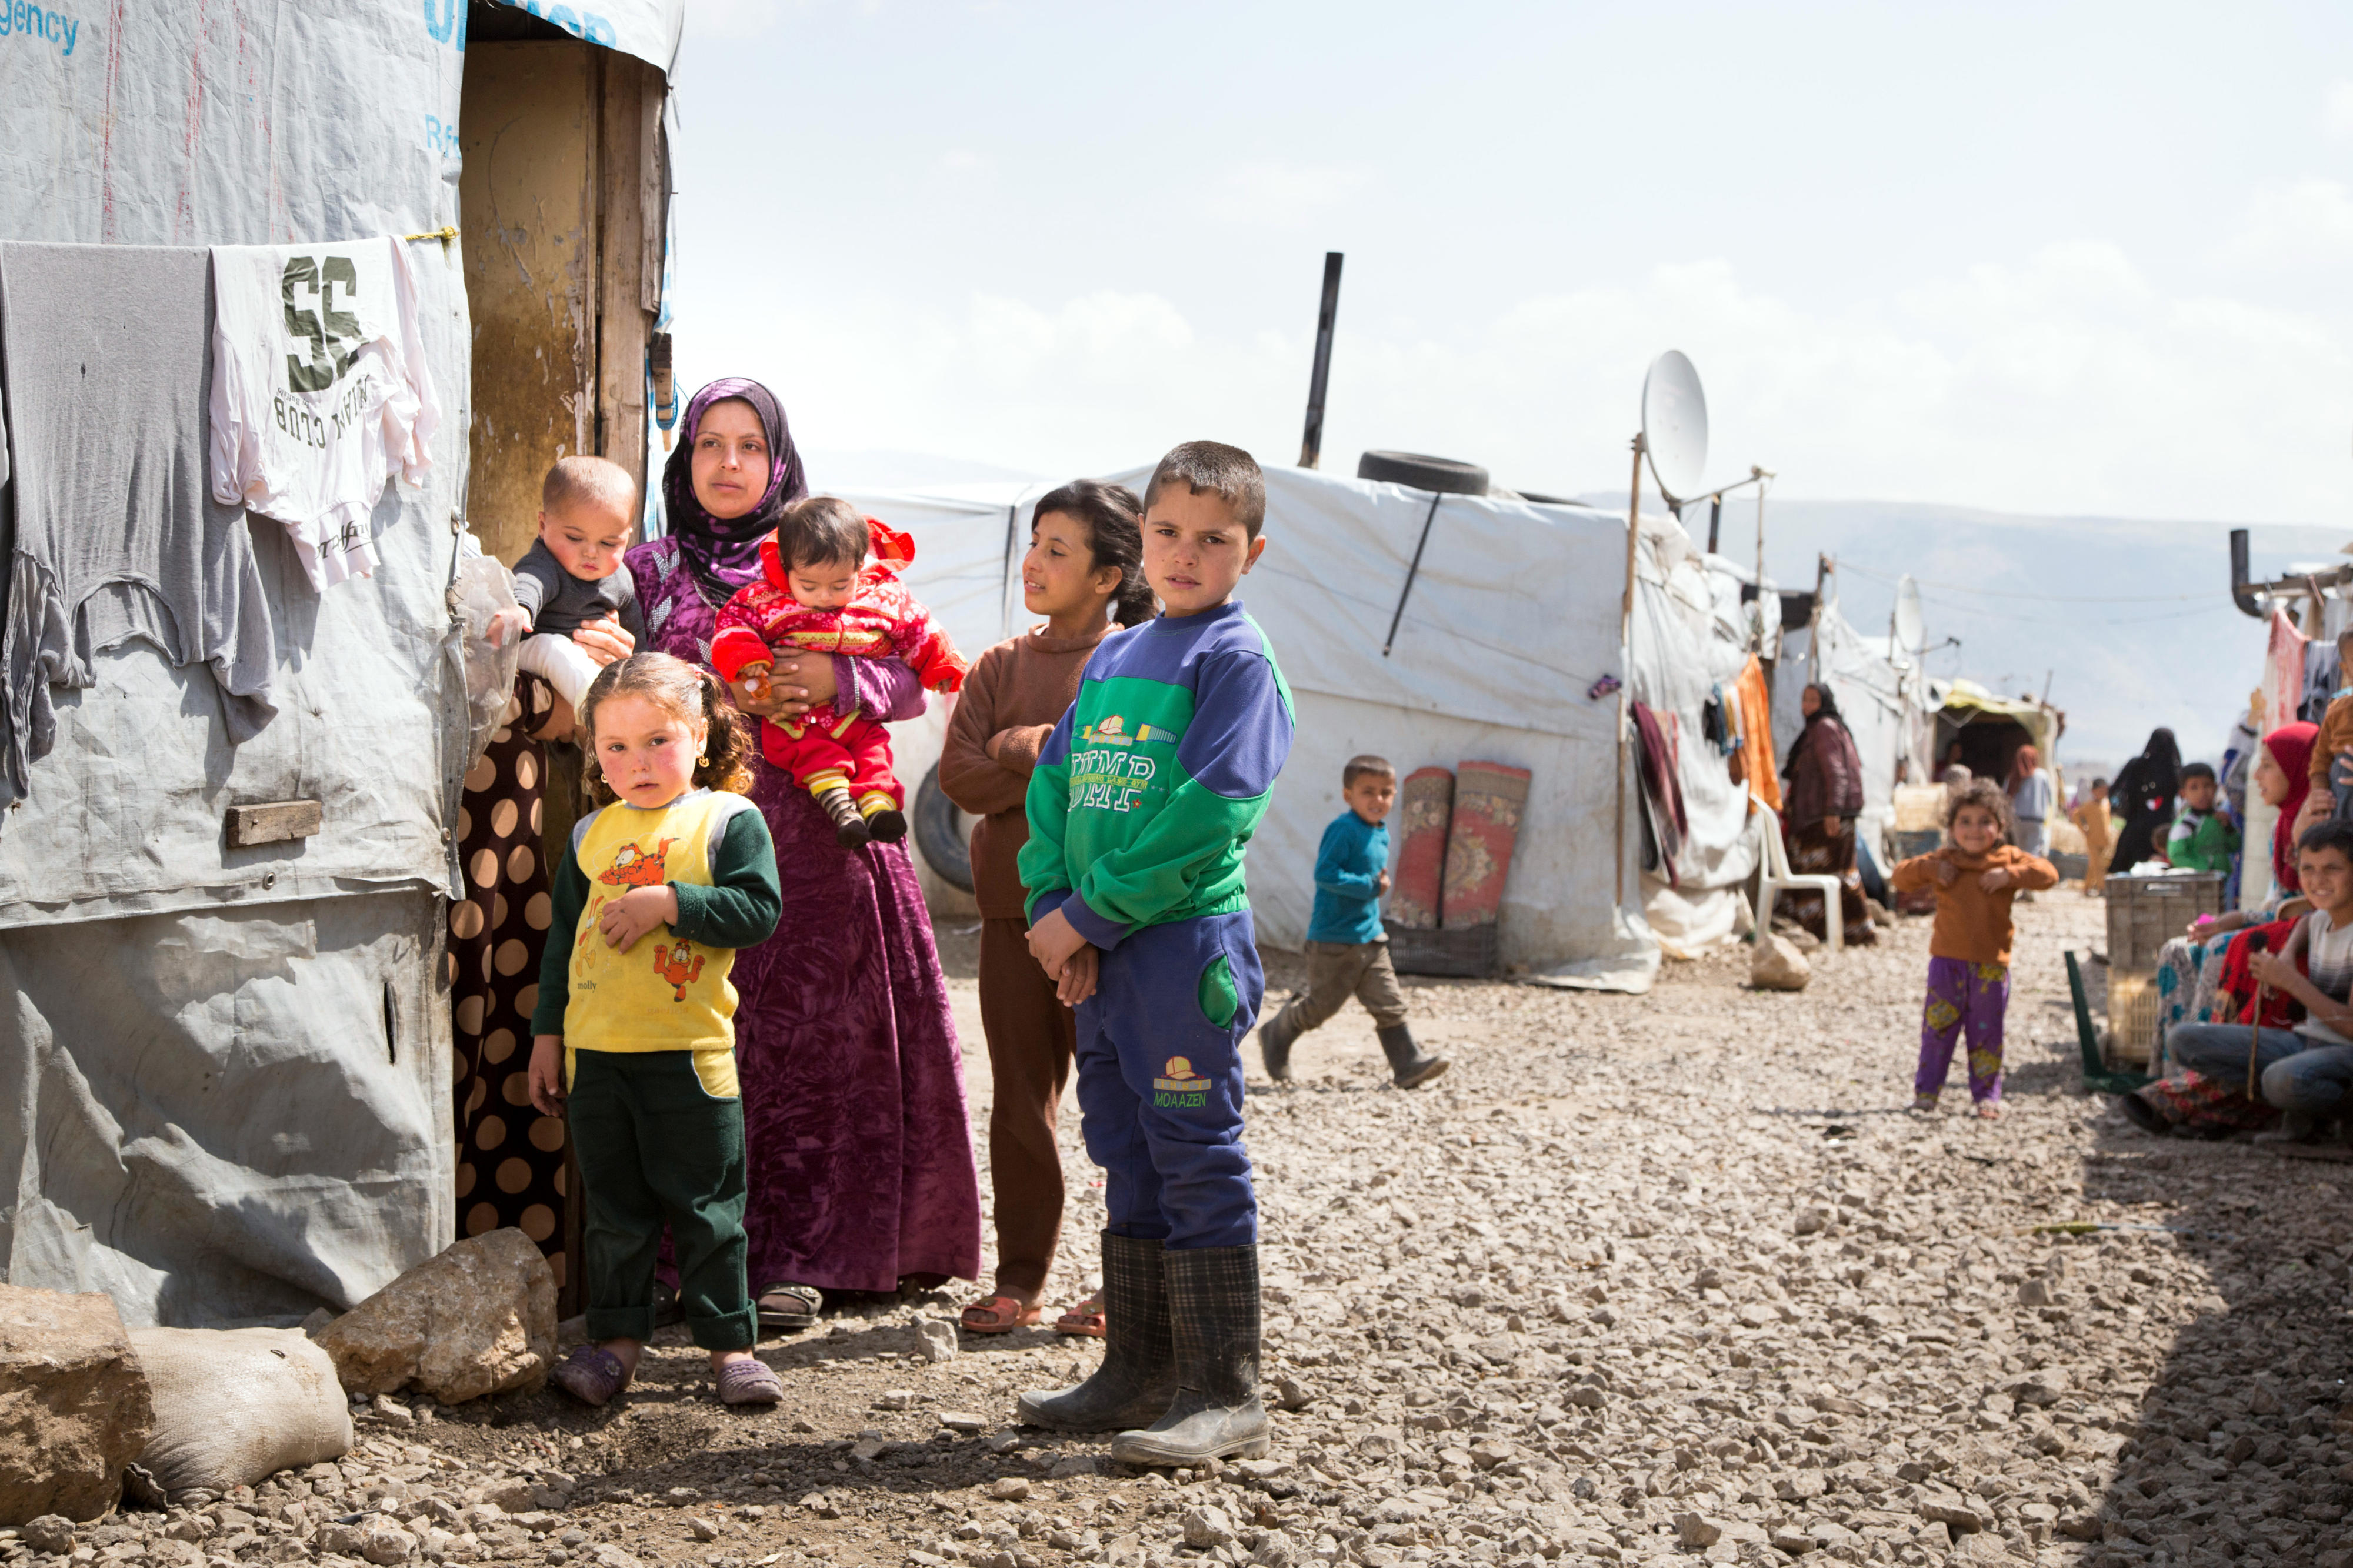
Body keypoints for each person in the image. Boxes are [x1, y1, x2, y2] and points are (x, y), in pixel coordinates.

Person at [627, 377, 980, 1331]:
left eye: (749, 445)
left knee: (824, 1050)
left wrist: (841, 673)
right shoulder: (648, 569)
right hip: (693, 834)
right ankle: (692, 1253)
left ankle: (811, 1254)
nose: (729, 464)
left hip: (825, 844)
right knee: (703, 1046)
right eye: (710, 444)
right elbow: (602, 646)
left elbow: (911, 673)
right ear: (684, 457)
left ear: (778, 461)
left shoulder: (823, 554)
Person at [1015, 441, 1294, 1466]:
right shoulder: (1117, 656)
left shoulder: (1238, 662)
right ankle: (1136, 1371)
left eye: (1212, 540)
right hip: (1099, 951)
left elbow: (1207, 817)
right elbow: (1053, 789)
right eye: (1167, 533)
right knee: (1125, 1154)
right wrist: (1054, 904)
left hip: (1181, 950)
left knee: (1195, 1155)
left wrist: (1089, 917)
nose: (1185, 555)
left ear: (1248, 552)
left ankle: (1225, 1390)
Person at [531, 653, 785, 1407]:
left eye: (657, 740)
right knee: (616, 1211)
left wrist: (669, 902)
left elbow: (758, 910)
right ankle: (615, 1346)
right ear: (594, 753)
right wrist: (550, 1036)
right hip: (597, 1056)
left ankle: (729, 1347)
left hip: (690, 1056)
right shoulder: (586, 834)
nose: (636, 762)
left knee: (708, 1208)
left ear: (701, 735)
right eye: (615, 746)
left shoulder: (727, 820)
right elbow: (561, 945)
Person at [938, 480, 1154, 1339]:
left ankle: (1122, 1277)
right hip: (1009, 912)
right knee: (1022, 1097)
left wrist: (1025, 748)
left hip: (1115, 916)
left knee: (1125, 1098)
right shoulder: (999, 665)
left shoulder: (1141, 661)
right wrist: (1059, 753)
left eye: (1058, 550)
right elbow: (960, 774)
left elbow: (1129, 781)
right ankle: (1020, 1275)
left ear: (1110, 573)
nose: (1034, 561)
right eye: (1035, 542)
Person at [711, 498, 967, 846]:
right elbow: (733, 624)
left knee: (874, 752)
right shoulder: (764, 600)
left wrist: (941, 667)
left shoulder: (884, 596)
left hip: (859, 716)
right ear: (785, 566)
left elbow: (920, 630)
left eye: (840, 585)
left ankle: (879, 808)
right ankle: (843, 809)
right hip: (798, 719)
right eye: (809, 586)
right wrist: (747, 659)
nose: (824, 597)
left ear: (861, 564)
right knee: (812, 752)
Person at [2149, 819, 2353, 1141]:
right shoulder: (2321, 920)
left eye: (2332, 869)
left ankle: (2334, 1118)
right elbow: (2306, 921)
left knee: (2280, 1080)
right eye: (2308, 869)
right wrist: (2287, 953)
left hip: (2345, 1051)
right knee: (2183, 1041)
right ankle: (2301, 1114)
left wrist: (2291, 981)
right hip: (2307, 1044)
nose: (2318, 880)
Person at [1254, 756, 1447, 1089]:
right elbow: (1326, 874)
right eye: (1368, 792)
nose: (1378, 800)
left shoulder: (1380, 833)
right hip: (1334, 939)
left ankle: (1407, 1065)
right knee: (1320, 1008)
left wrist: (1375, 887)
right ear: (1348, 796)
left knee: (1389, 1003)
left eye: (1386, 793)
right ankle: (1277, 1032)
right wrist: (1371, 886)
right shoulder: (1343, 830)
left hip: (1370, 937)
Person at [1888, 779, 2058, 1119]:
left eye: (1985, 821)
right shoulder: (1945, 859)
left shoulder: (2006, 859)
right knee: (1937, 1031)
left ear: (2001, 827)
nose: (1974, 830)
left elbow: (2048, 874)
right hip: (1946, 965)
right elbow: (1900, 877)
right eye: (1964, 821)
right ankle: (1926, 1094)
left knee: (1987, 1033)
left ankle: (1986, 1097)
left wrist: (2009, 876)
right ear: (1951, 828)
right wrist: (1933, 869)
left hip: (1990, 967)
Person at [487, 456, 647, 709]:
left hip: (587, 668)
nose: (591, 553)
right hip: (533, 655)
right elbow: (530, 582)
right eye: (574, 538)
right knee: (555, 649)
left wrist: (645, 674)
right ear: (543, 525)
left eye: (609, 543)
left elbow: (637, 637)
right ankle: (595, 716)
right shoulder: (546, 562)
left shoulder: (621, 579)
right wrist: (519, 609)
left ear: (628, 536)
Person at [1777, 682, 1876, 944]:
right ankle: (1829, 931)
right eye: (1804, 700)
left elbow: (1836, 772)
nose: (1806, 706)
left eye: (1813, 701)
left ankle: (1855, 932)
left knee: (1833, 875)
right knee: (1821, 874)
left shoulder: (1825, 728)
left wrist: (1833, 811)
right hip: (1817, 815)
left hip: (1824, 817)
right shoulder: (1816, 730)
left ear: (1824, 703)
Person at [2299, 632, 2353, 838]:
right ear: (2346, 669)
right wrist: (2319, 791)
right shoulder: (2337, 710)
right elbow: (2320, 760)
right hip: (2338, 791)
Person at [2109, 726, 2182, 873]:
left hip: (2135, 830)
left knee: (2128, 875)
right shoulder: (2175, 770)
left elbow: (2114, 791)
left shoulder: (2136, 765)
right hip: (2163, 835)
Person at [2161, 763, 2238, 873]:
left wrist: (2228, 827)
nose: (2202, 793)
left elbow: (2234, 846)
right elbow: (2176, 855)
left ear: (2215, 788)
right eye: (2194, 788)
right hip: (2199, 885)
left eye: (2207, 786)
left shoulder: (2219, 818)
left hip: (2222, 882)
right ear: (2183, 794)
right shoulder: (2186, 824)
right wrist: (2204, 870)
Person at [2005, 743, 2054, 859]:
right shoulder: (2042, 776)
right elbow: (2051, 798)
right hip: (2036, 821)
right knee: (2033, 852)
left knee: (2020, 851)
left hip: (2017, 820)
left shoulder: (2013, 776)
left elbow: (2005, 797)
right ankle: (2029, 875)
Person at [2070, 777, 2114, 895]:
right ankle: (2102, 888)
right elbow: (2076, 815)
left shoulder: (2106, 805)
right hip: (2093, 840)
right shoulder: (2089, 806)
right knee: (2098, 866)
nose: (2103, 794)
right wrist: (2084, 829)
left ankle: (2087, 887)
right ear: (2094, 792)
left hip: (2104, 840)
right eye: (2100, 791)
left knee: (2094, 865)